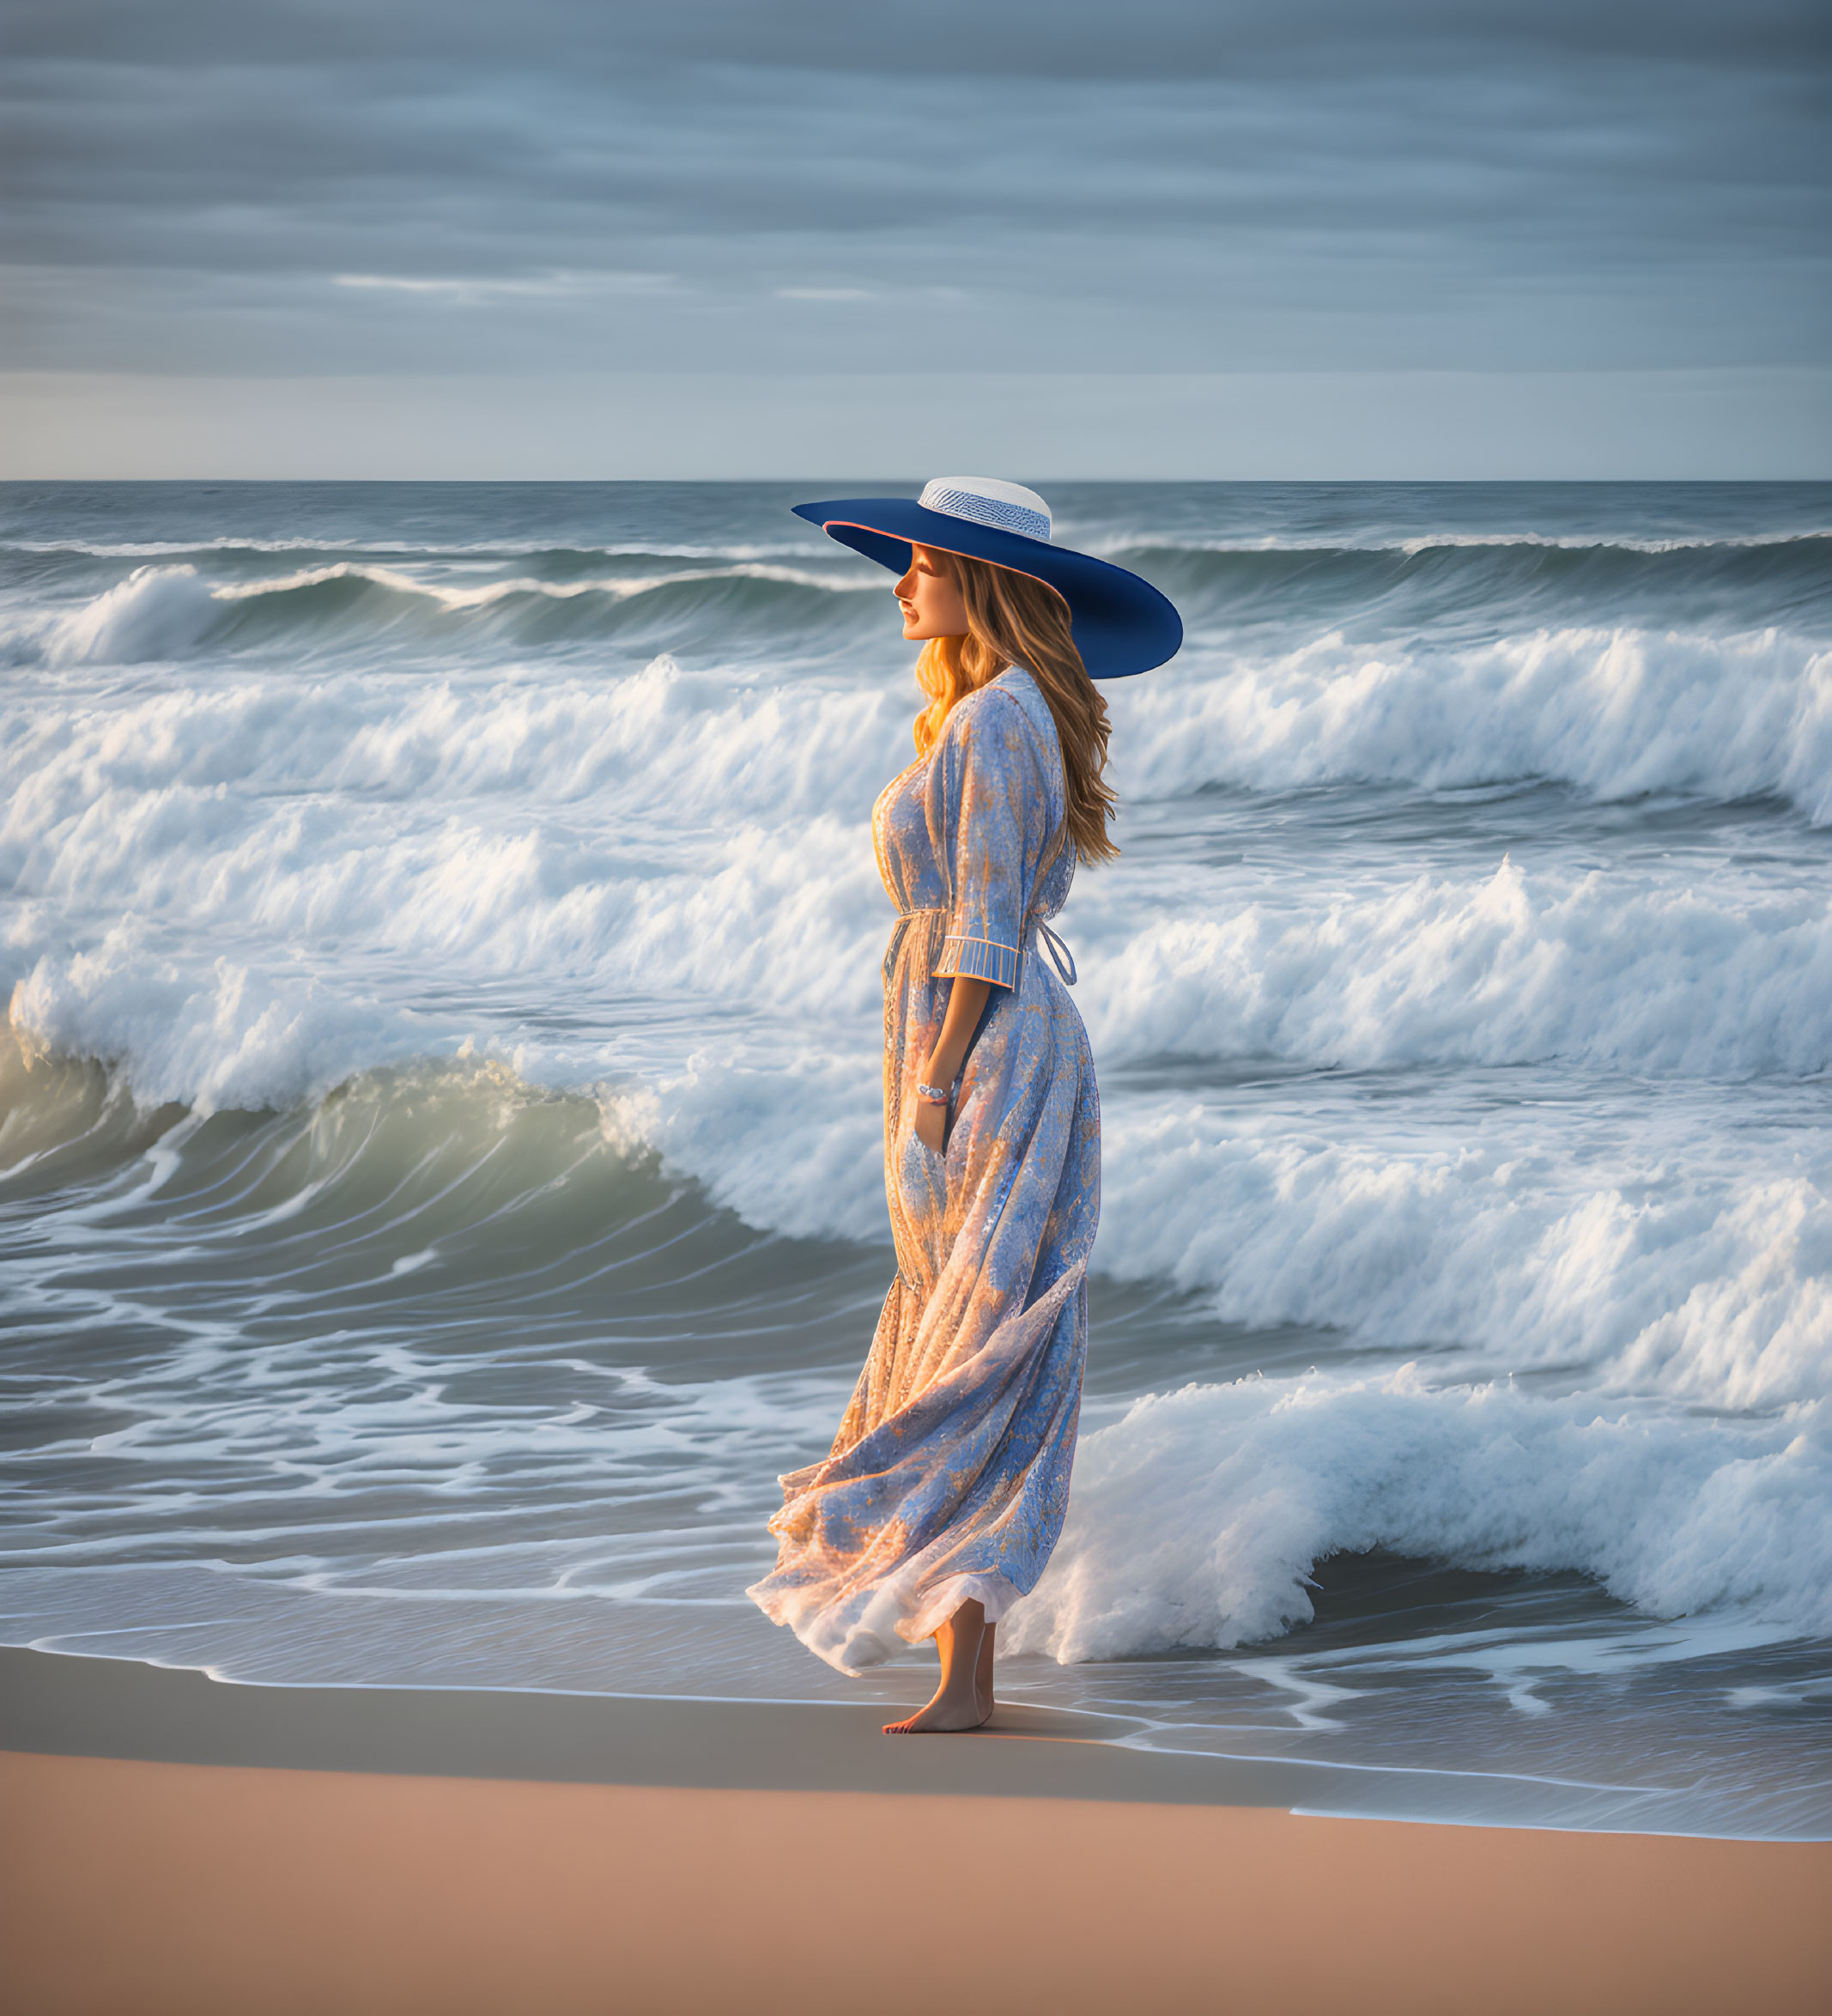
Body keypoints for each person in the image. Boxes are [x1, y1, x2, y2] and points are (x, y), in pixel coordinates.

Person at [746, 477, 1181, 1733]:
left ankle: (963, 1673)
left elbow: (985, 933)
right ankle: (962, 1672)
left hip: (982, 1048)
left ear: (976, 583)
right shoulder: (998, 713)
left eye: (922, 565)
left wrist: (933, 1083)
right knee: (972, 1337)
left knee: (975, 1342)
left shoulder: (997, 722)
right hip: (971, 1037)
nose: (900, 584)